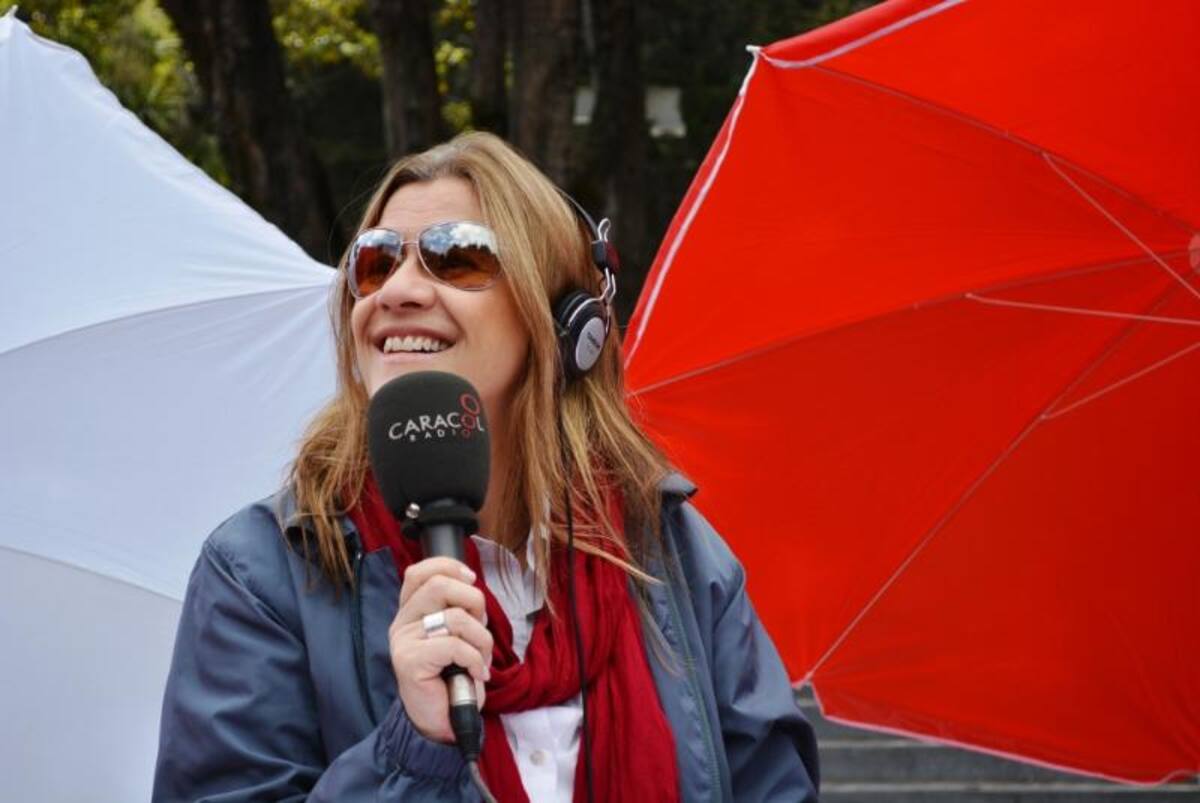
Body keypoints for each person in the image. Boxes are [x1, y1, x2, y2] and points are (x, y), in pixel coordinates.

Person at [152, 132, 819, 802]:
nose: (399, 291)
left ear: (563, 324)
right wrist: (412, 747)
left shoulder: (671, 554)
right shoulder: (261, 573)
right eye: (374, 264)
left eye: (458, 257)